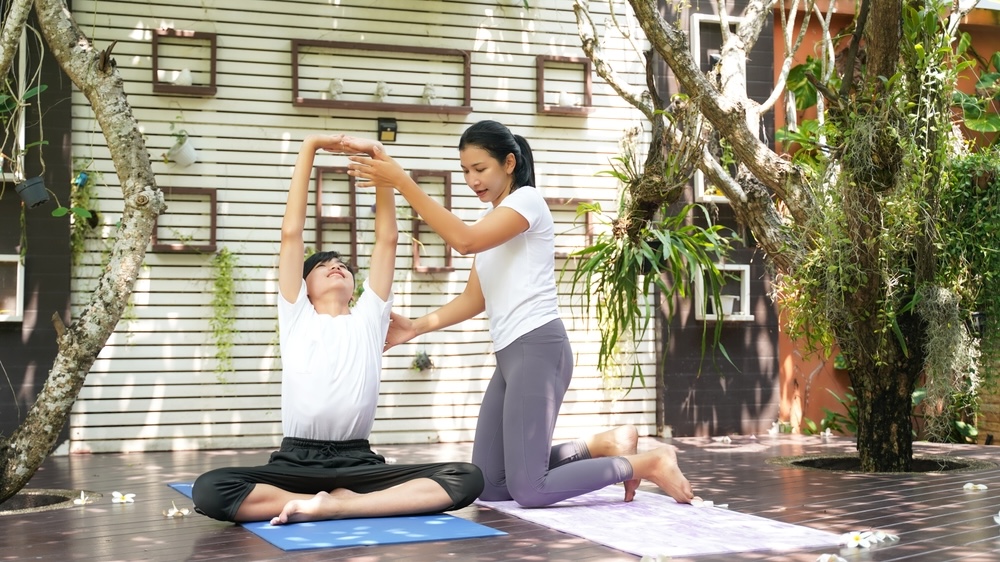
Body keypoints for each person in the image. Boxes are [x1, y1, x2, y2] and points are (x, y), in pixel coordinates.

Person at [343, 120, 695, 508]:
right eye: (464, 170)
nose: (471, 179)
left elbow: (463, 241)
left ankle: (648, 462)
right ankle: (602, 445)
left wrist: (401, 180)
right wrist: (415, 327)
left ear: (509, 163)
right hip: (512, 356)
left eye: (480, 169)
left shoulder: (526, 202)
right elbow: (475, 299)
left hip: (538, 347)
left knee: (530, 489)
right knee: (491, 484)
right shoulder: (496, 220)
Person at [191, 134, 484, 525]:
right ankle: (311, 499)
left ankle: (338, 505)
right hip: (297, 461)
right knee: (210, 489)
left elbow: (387, 239)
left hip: (358, 462)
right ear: (303, 286)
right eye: (322, 265)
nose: (336, 266)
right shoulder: (297, 316)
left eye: (343, 265)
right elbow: (291, 234)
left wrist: (381, 164)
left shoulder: (368, 316)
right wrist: (310, 146)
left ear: (353, 283)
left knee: (466, 478)